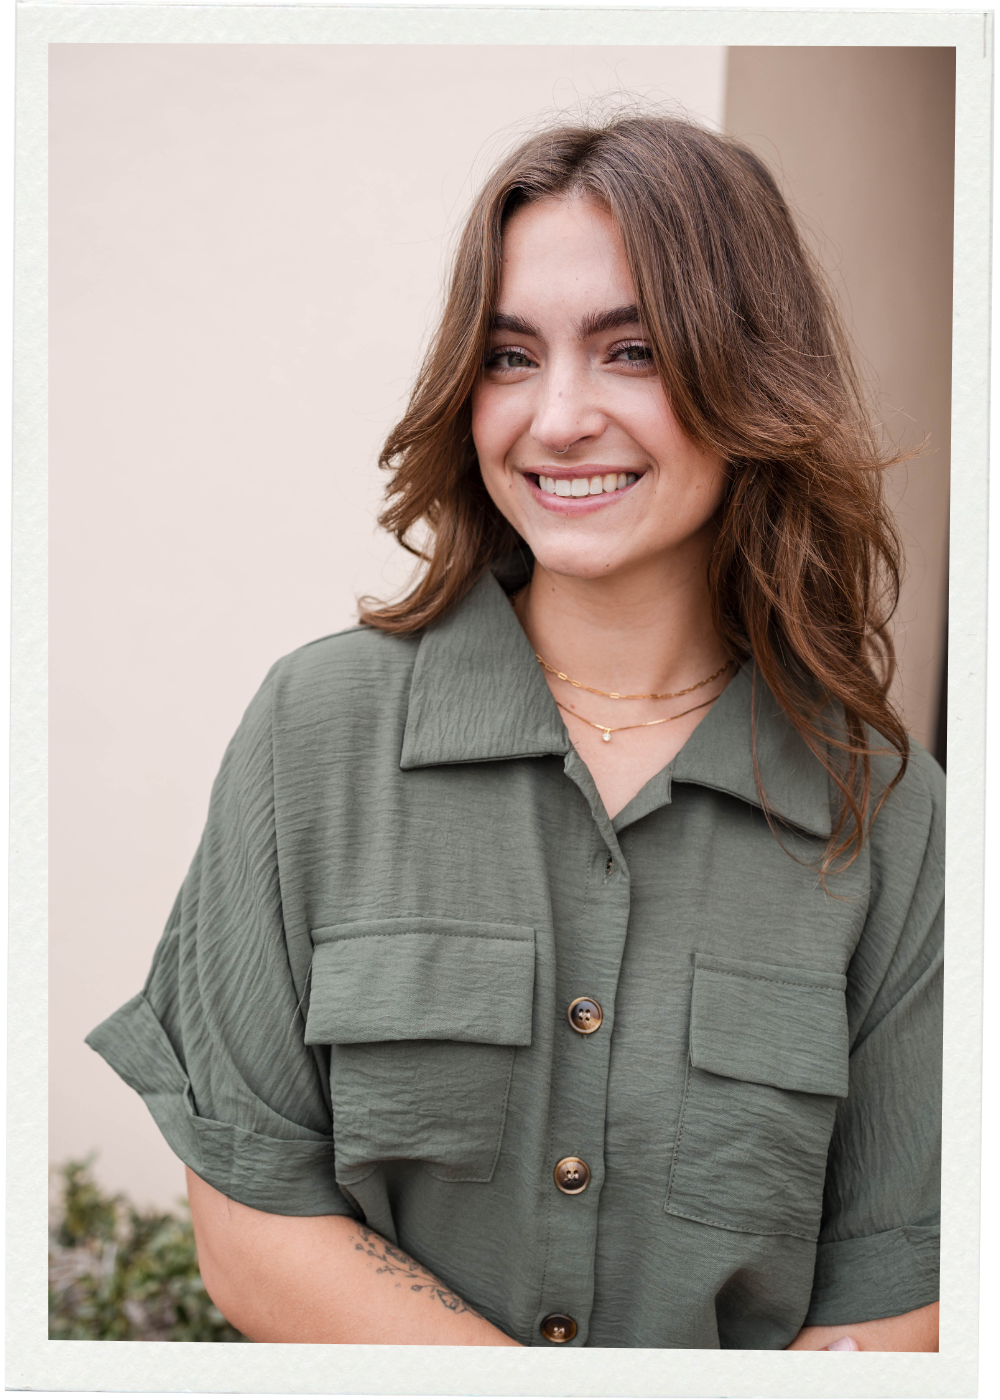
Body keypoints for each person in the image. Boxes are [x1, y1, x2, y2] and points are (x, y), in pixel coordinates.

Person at [86, 114, 942, 1351]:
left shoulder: (891, 817)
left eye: (632, 350)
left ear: (746, 375)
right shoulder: (315, 734)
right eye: (509, 356)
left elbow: (892, 1294)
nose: (558, 417)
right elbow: (248, 1209)